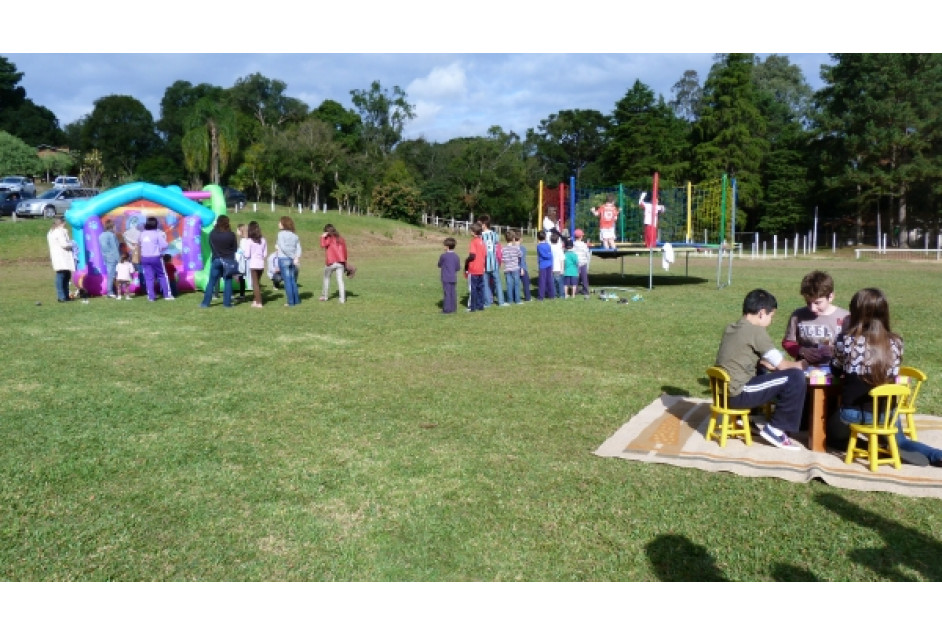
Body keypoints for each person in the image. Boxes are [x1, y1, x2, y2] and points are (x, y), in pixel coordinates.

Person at [829, 288, 942, 466]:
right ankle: (936, 455)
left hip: (853, 413)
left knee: (831, 436)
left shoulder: (845, 340)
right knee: (902, 441)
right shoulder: (896, 342)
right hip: (885, 414)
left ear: (855, 313)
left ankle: (870, 448)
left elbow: (835, 370)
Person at [715, 289, 809, 451]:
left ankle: (744, 419)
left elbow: (749, 357)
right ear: (761, 313)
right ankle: (776, 428)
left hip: (723, 395)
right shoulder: (756, 331)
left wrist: (766, 363)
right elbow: (782, 366)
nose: (771, 321)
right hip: (739, 394)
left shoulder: (732, 327)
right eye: (771, 316)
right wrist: (804, 365)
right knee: (795, 377)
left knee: (764, 368)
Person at [782, 270, 849, 364]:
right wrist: (801, 350)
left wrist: (837, 351)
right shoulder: (798, 315)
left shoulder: (846, 317)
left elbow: (856, 349)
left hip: (836, 372)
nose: (813, 308)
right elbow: (788, 342)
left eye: (818, 303)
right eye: (808, 302)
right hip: (806, 372)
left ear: (831, 296)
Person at [200, 214, 238, 308]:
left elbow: (211, 245)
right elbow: (235, 248)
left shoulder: (213, 233)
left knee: (211, 282)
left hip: (216, 259)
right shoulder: (231, 234)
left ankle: (205, 303)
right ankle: (227, 303)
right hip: (228, 261)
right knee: (228, 281)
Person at [140, 216, 173, 301]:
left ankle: (151, 297)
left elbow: (139, 243)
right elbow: (165, 245)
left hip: (145, 258)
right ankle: (167, 295)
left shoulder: (142, 234)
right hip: (156, 257)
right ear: (156, 224)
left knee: (149, 278)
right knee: (162, 275)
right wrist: (158, 248)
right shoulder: (157, 234)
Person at [479, 214, 506, 308]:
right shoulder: (495, 234)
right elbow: (497, 246)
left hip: (484, 263)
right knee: (497, 282)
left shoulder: (480, 236)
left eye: (480, 224)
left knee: (485, 283)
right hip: (494, 262)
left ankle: (487, 302)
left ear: (484, 224)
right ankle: (501, 302)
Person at [276, 216, 302, 307]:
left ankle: (290, 302)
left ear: (284, 224)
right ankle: (296, 300)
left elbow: (283, 247)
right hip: (292, 260)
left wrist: (291, 256)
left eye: (279, 222)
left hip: (284, 259)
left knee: (287, 281)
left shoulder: (281, 234)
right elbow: (299, 248)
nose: (278, 224)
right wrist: (296, 257)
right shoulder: (295, 235)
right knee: (292, 280)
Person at [47, 217, 75, 302]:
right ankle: (62, 296)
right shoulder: (60, 231)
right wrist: (72, 244)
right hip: (62, 256)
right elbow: (64, 244)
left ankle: (65, 295)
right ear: (61, 223)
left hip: (59, 256)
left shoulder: (51, 232)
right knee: (62, 275)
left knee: (66, 275)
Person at [320, 223, 348, 303]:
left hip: (331, 262)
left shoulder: (329, 238)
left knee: (326, 279)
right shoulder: (341, 239)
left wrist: (322, 237)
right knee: (340, 280)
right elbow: (345, 251)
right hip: (341, 262)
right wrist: (345, 261)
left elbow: (322, 245)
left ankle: (325, 296)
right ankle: (342, 299)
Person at [243, 221, 268, 308]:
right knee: (257, 282)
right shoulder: (263, 240)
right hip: (261, 264)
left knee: (255, 284)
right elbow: (265, 254)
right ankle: (255, 299)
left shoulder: (249, 241)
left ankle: (259, 302)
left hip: (253, 264)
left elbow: (247, 254)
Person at [466, 222, 486, 312]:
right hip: (481, 269)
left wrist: (467, 261)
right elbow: (485, 254)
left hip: (473, 268)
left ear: (474, 232)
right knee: (480, 288)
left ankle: (472, 307)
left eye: (471, 231)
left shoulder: (473, 241)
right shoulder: (482, 242)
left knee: (473, 288)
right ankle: (480, 305)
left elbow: (472, 255)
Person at [438, 236, 460, 314]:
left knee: (447, 293)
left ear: (447, 247)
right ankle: (453, 308)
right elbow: (458, 267)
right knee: (453, 292)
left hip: (446, 277)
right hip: (453, 277)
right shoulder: (456, 256)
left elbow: (439, 264)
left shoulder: (443, 256)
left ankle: (447, 309)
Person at [99, 218, 120, 298]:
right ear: (112, 226)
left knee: (110, 274)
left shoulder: (101, 235)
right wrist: (119, 259)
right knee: (112, 275)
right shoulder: (111, 235)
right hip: (112, 257)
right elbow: (115, 248)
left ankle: (111, 290)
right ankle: (110, 291)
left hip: (105, 257)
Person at [122, 215, 143, 295]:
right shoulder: (138, 233)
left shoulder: (127, 233)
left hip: (133, 254)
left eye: (134, 222)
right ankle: (136, 287)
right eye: (133, 222)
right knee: (136, 270)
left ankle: (131, 287)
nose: (134, 224)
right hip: (134, 254)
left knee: (133, 270)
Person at [501, 230, 522, 305]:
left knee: (509, 285)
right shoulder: (516, 248)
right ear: (513, 239)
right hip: (515, 268)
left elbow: (502, 259)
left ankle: (510, 300)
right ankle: (517, 300)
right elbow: (520, 255)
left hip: (507, 269)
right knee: (516, 284)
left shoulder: (503, 249)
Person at [536, 230, 554, 301]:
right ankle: (550, 295)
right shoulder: (547, 245)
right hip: (548, 264)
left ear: (538, 238)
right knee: (548, 280)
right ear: (545, 237)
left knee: (543, 281)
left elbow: (543, 255)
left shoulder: (539, 246)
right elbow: (550, 254)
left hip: (543, 265)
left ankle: (541, 296)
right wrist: (549, 256)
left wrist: (548, 256)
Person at [573, 229, 591, 297]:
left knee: (575, 277)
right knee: (584, 278)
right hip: (583, 263)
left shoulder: (573, 244)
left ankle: (575, 290)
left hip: (576, 263)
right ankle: (585, 290)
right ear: (581, 237)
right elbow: (587, 253)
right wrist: (587, 260)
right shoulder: (584, 245)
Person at [235, 223, 249, 303]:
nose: (236, 231)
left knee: (241, 277)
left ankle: (242, 295)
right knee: (242, 278)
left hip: (242, 261)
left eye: (237, 230)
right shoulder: (247, 240)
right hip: (246, 260)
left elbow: (241, 252)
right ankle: (242, 294)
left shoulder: (243, 241)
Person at [516, 231, 532, 302]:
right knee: (526, 283)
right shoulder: (523, 248)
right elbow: (522, 259)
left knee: (516, 284)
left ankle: (515, 297)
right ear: (520, 239)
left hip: (514, 268)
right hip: (522, 268)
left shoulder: (512, 247)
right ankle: (528, 297)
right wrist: (522, 268)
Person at [550, 232, 565, 299]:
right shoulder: (559, 249)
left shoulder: (549, 248)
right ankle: (561, 294)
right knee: (560, 283)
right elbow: (562, 259)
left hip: (551, 268)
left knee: (552, 283)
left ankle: (554, 294)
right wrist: (562, 269)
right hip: (558, 268)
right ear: (558, 240)